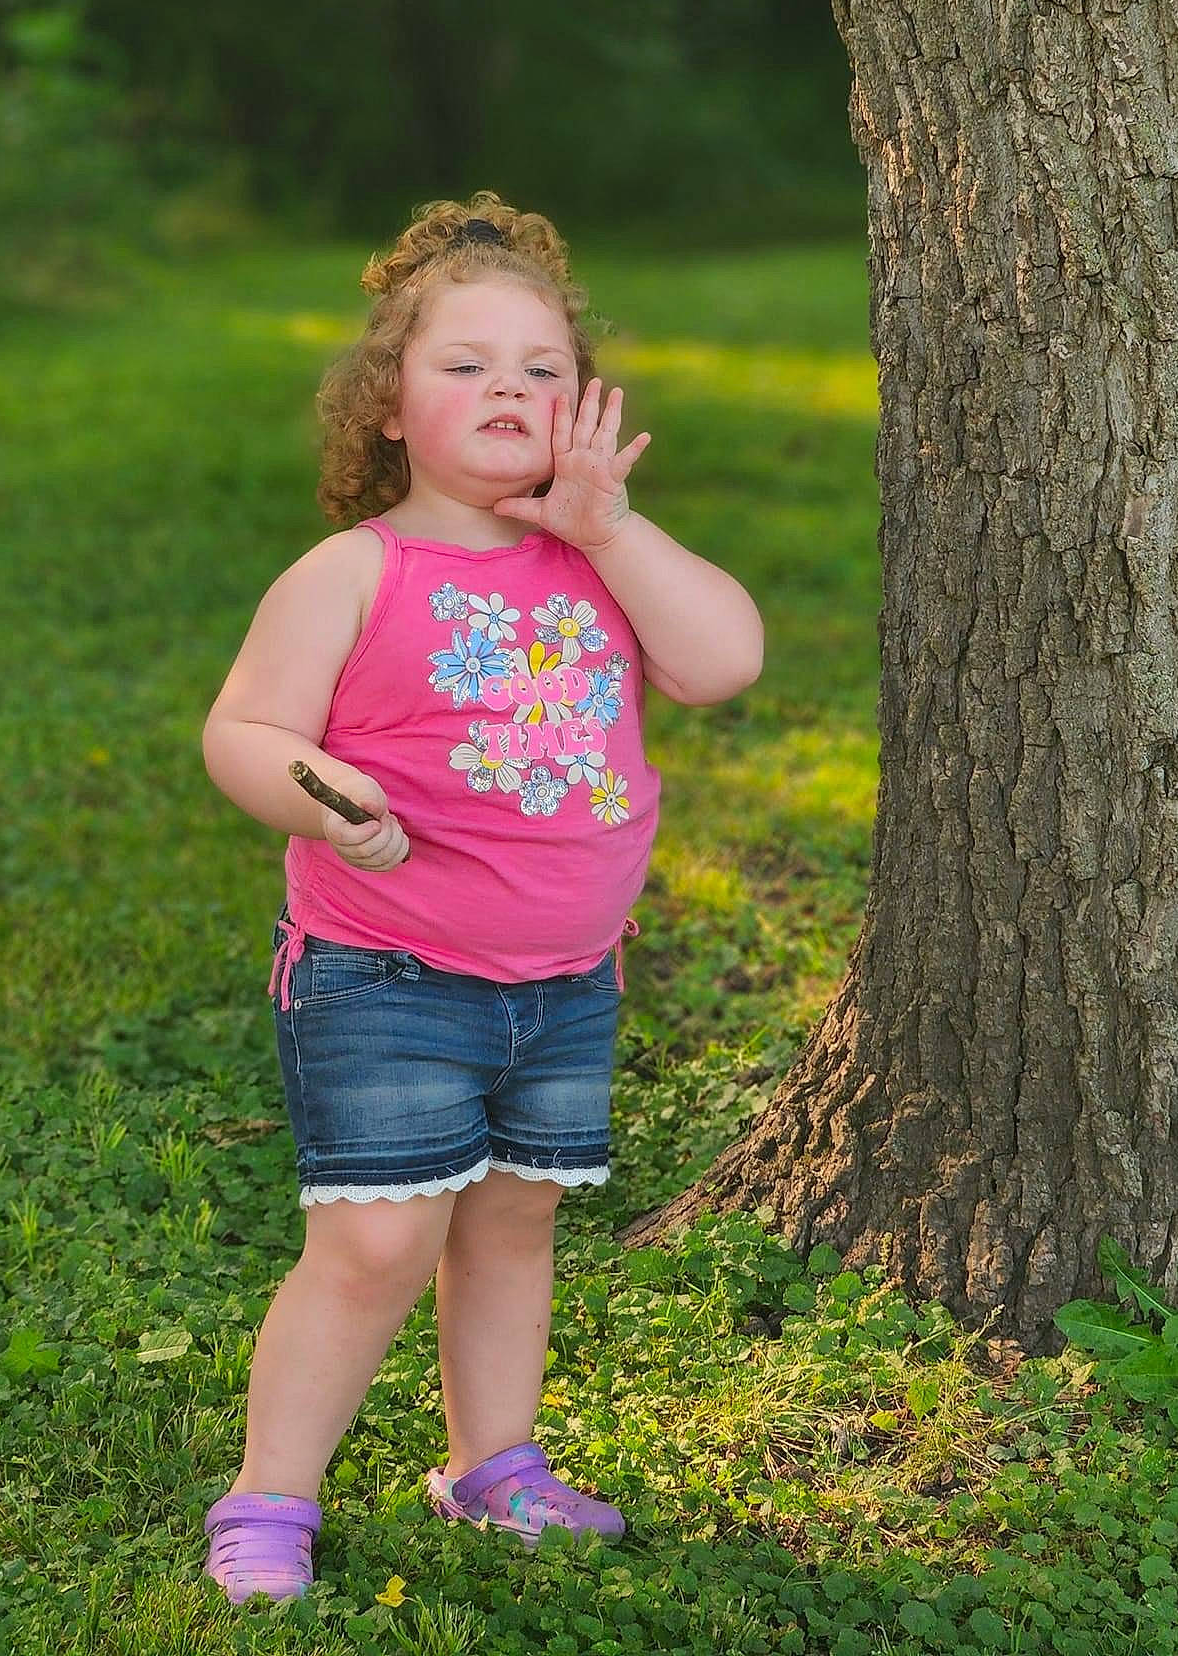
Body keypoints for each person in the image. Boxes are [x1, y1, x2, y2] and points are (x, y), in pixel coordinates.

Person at [198, 191, 764, 1602]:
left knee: (513, 1224)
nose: (508, 388)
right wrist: (328, 792)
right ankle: (269, 1500)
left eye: (542, 368)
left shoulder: (599, 561)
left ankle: (492, 1463)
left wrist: (615, 525)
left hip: (569, 982)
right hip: (388, 974)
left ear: (584, 403)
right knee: (377, 1242)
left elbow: (722, 664)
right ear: (387, 405)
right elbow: (243, 733)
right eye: (465, 366)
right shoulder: (353, 571)